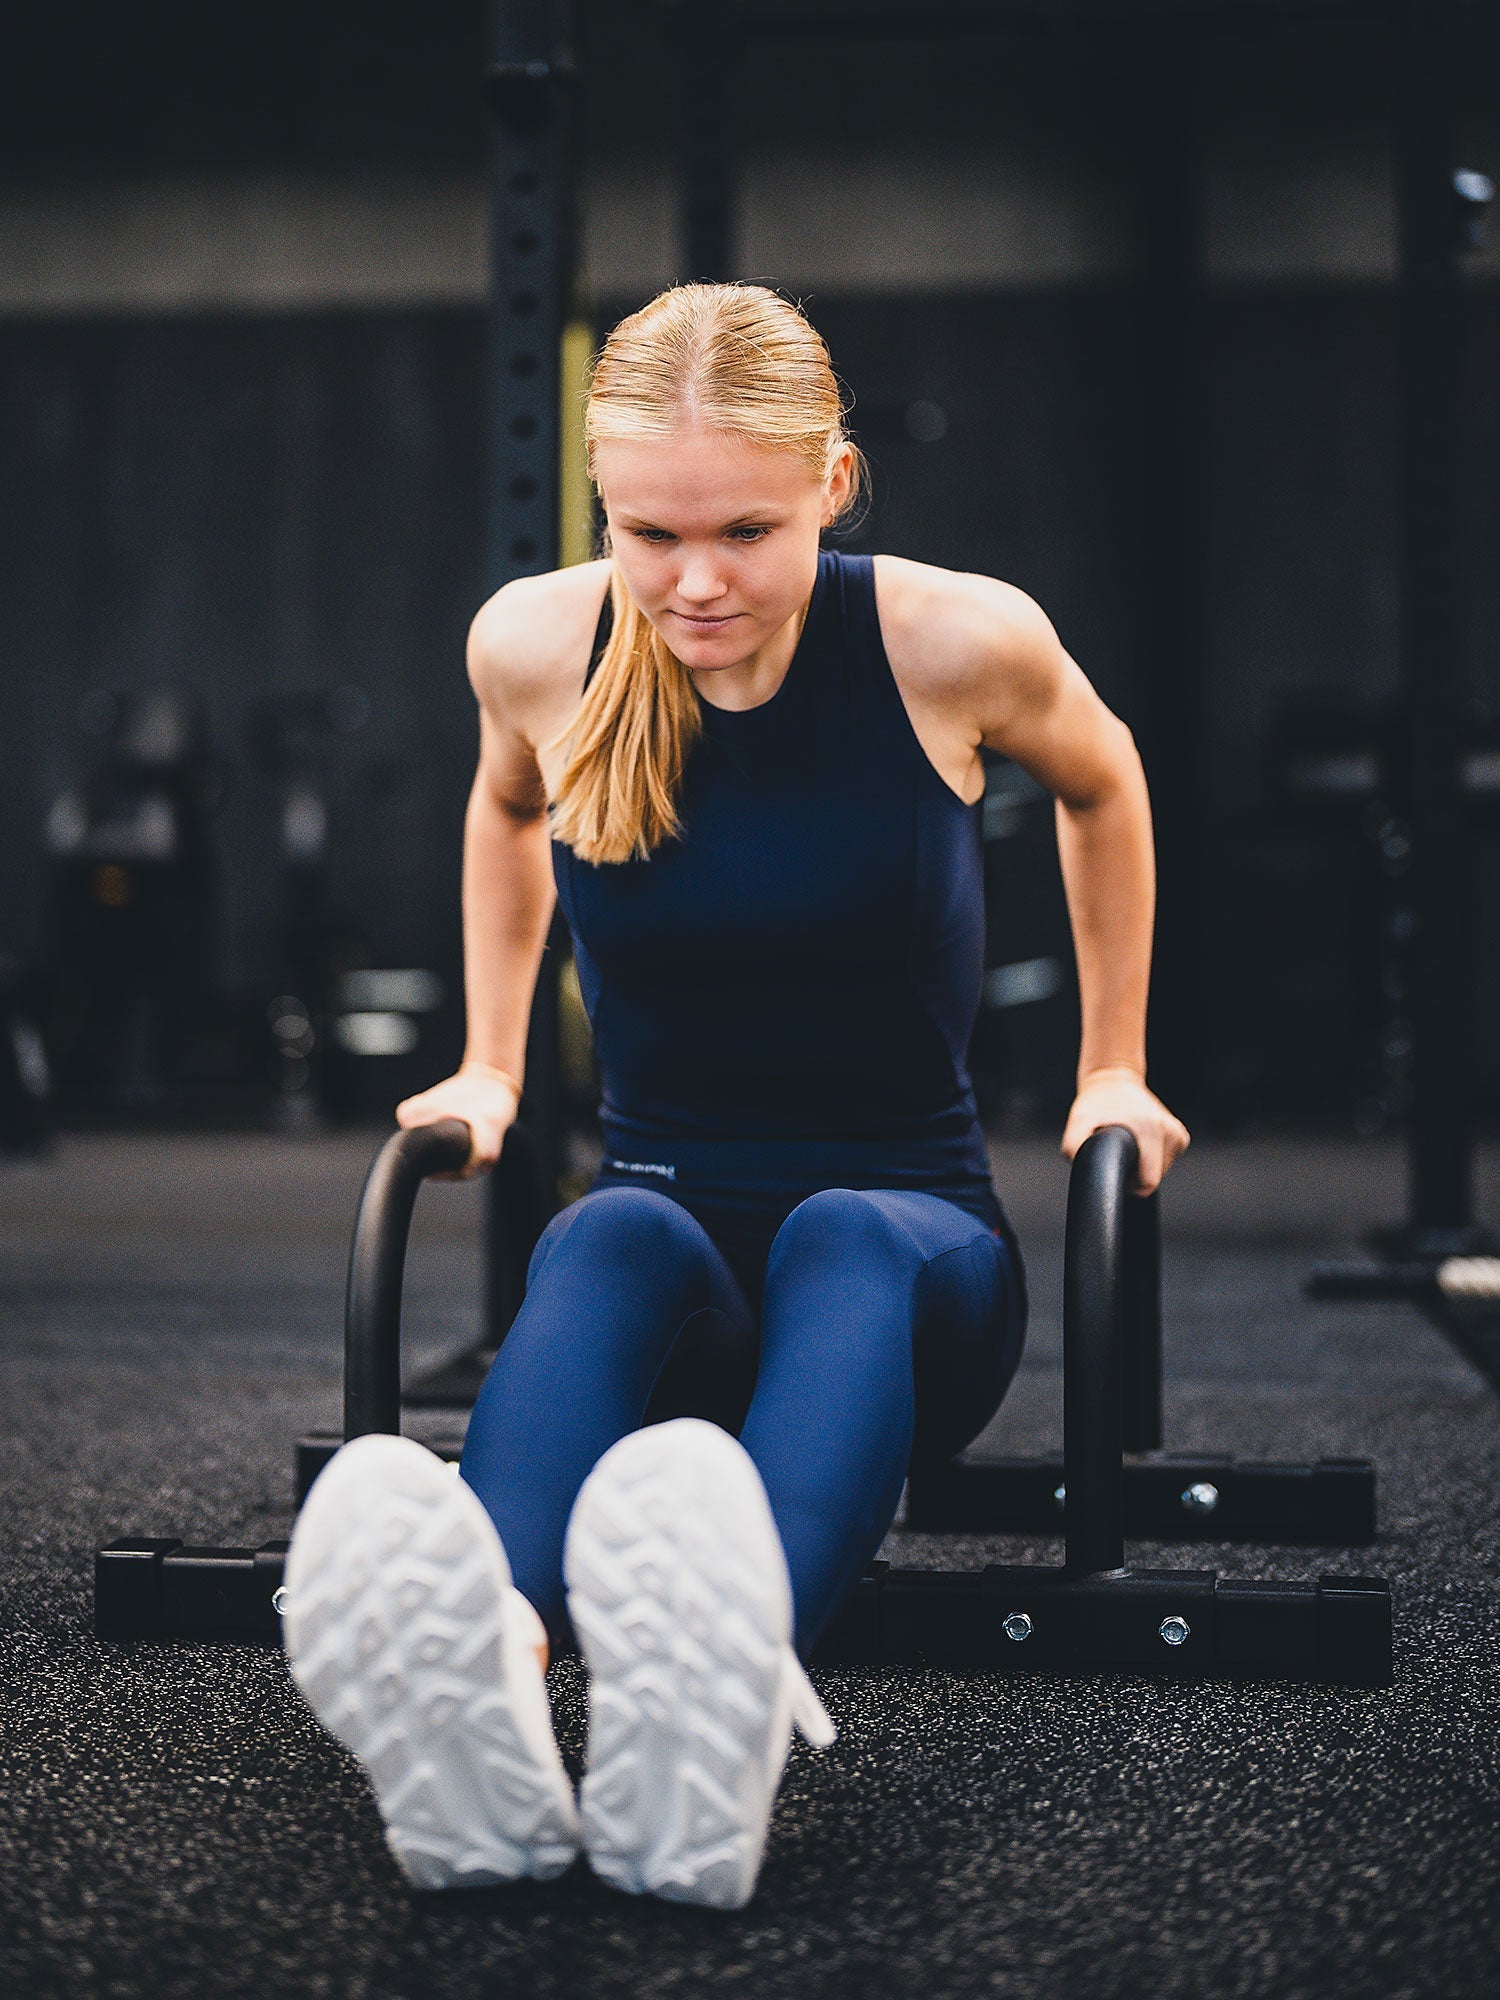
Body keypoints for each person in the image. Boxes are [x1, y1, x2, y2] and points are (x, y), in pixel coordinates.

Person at [281, 283, 1190, 1910]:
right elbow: (504, 813)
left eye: (747, 532)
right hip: (675, 1286)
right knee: (605, 1235)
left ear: (833, 484)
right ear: (603, 505)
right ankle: (490, 1666)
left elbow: (1105, 779)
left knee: (845, 1231)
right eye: (651, 534)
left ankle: (722, 1678)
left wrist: (1112, 1062)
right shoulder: (536, 645)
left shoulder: (950, 639)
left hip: (915, 1274)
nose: (696, 582)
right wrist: (493, 1061)